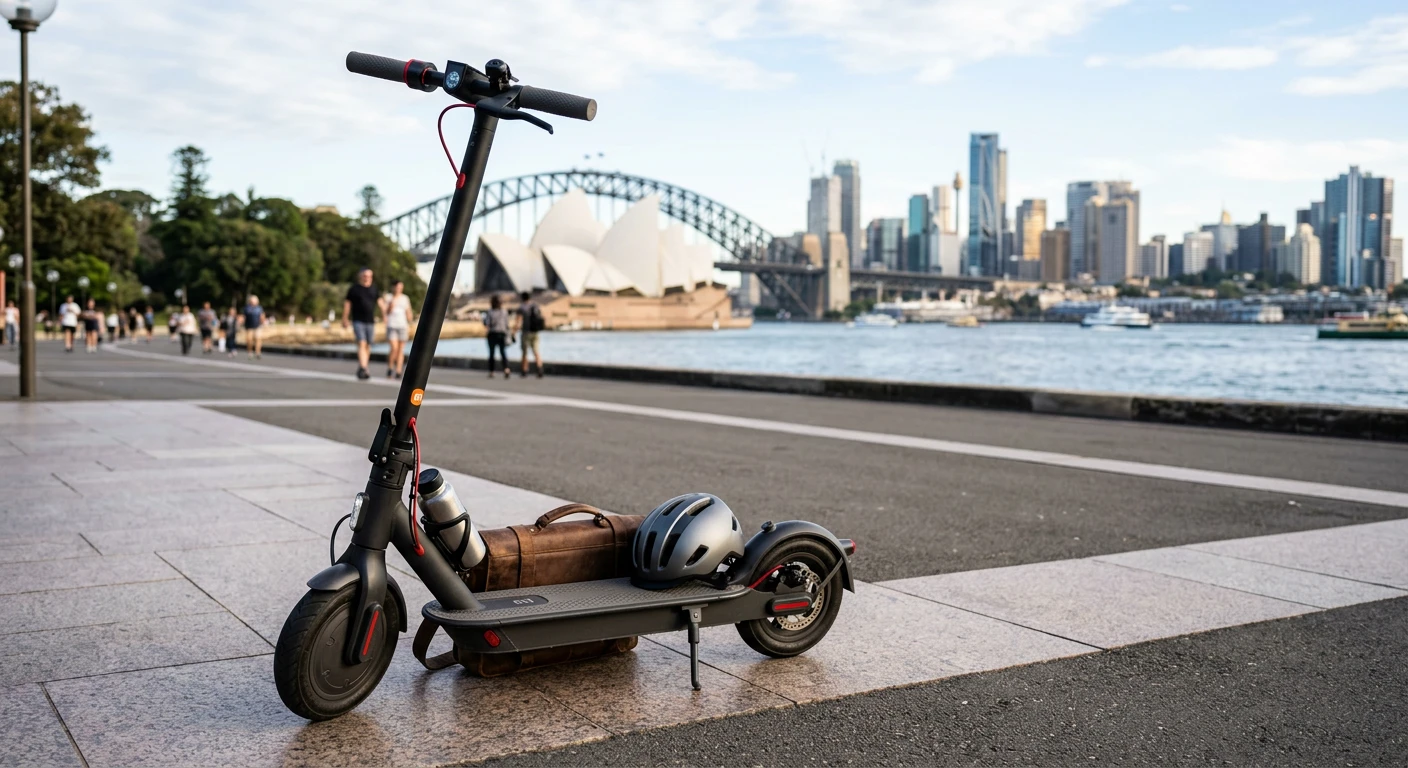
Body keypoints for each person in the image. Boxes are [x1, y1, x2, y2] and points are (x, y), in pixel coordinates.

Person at [342, 267, 378, 380]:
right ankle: (363, 367)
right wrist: (345, 318)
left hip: (370, 321)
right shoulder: (354, 289)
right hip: (358, 320)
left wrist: (386, 315)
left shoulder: (374, 289)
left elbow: (380, 302)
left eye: (369, 276)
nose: (367, 278)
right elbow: (347, 304)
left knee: (368, 345)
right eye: (365, 276)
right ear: (361, 276)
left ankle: (364, 366)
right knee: (361, 343)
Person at [381, 279, 414, 379]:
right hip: (392, 325)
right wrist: (391, 305)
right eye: (397, 287)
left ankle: (399, 370)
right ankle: (390, 367)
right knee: (394, 348)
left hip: (402, 326)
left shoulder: (405, 298)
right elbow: (386, 312)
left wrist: (410, 321)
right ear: (393, 287)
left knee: (401, 349)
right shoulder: (388, 297)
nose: (399, 289)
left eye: (401, 287)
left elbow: (408, 311)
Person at [513, 290, 545, 379]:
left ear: (522, 298)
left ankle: (524, 370)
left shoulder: (522, 308)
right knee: (536, 351)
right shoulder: (535, 306)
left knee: (524, 352)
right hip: (535, 332)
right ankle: (540, 369)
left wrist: (514, 333)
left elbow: (518, 322)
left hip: (526, 332)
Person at [482, 294, 511, 379]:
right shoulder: (504, 312)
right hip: (502, 334)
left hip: (492, 334)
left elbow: (487, 324)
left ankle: (492, 371)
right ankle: (506, 369)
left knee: (492, 353)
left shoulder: (490, 312)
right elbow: (507, 325)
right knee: (503, 352)